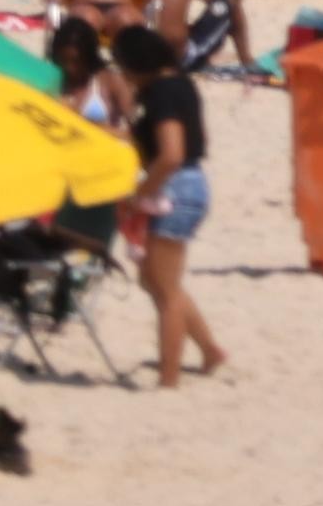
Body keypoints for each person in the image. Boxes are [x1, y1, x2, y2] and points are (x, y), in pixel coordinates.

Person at [110, 25, 223, 387]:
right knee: (155, 280)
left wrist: (140, 193)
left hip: (175, 188)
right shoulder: (179, 84)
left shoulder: (161, 93)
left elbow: (171, 154)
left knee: (165, 291)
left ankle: (169, 377)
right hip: (187, 184)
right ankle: (209, 350)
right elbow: (185, 141)